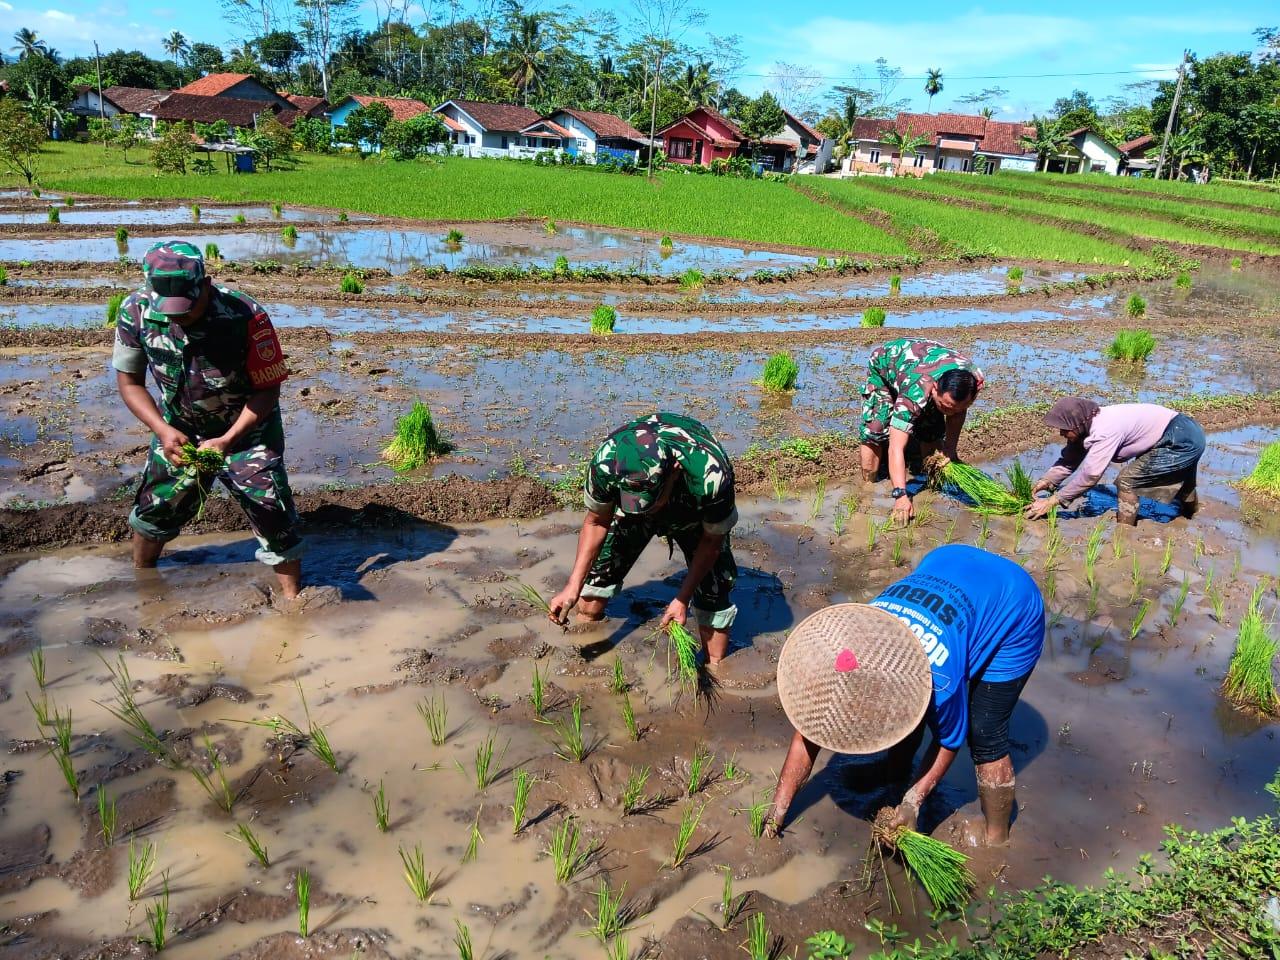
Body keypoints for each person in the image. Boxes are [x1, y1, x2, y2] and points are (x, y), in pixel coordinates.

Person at [765, 544, 1044, 846]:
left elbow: (949, 741)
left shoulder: (942, 680)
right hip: (945, 561)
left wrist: (913, 802)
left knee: (985, 732)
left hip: (1014, 601)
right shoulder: (851, 639)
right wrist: (776, 814)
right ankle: (894, 778)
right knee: (905, 716)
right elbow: (808, 734)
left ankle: (996, 840)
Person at [112, 240, 303, 599]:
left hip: (247, 432)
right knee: (155, 510)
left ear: (207, 284)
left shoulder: (245, 314)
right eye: (169, 310)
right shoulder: (134, 312)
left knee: (272, 513)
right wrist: (163, 430)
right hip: (178, 432)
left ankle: (295, 605)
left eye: (186, 307)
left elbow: (267, 390)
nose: (178, 317)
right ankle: (143, 588)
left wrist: (228, 440)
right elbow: (130, 382)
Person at [548, 413, 738, 664]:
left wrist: (683, 599)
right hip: (636, 506)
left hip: (692, 509)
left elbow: (711, 542)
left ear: (673, 472)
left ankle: (715, 667)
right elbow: (596, 522)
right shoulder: (607, 461)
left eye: (648, 502)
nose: (642, 509)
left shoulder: (710, 477)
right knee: (592, 592)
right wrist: (572, 586)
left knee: (714, 596)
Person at [857, 338, 984, 525]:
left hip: (925, 362)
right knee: (876, 429)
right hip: (886, 364)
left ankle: (930, 480)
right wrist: (900, 495)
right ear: (934, 389)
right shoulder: (915, 392)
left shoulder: (974, 380)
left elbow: (957, 412)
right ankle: (867, 484)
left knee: (932, 429)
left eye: (957, 408)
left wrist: (950, 449)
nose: (950, 413)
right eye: (946, 406)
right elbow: (895, 448)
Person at [1024, 398, 1205, 526]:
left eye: (1064, 429)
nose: (1061, 434)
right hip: (1186, 430)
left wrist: (1053, 500)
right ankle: (1192, 516)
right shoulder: (1086, 424)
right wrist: (1047, 481)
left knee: (1127, 481)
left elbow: (1091, 475)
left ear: (1077, 424)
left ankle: (1124, 532)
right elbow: (1069, 459)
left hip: (1179, 438)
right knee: (1185, 482)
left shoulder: (1104, 430)